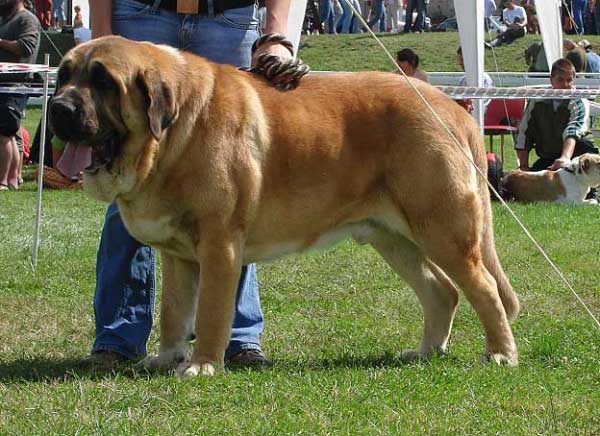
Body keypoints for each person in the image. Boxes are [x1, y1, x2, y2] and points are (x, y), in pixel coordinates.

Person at [85, 0, 294, 369]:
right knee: (126, 172)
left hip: (229, 15)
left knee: (230, 194)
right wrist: (104, 37)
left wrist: (274, 33)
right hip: (140, 12)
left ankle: (236, 338)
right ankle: (119, 336)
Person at [515, 58, 598, 172]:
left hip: (579, 158)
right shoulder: (537, 101)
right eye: (560, 79)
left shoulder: (579, 101)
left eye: (569, 80)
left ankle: (592, 190)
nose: (565, 84)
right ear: (551, 79)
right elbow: (525, 132)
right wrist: (523, 166)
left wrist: (565, 158)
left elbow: (572, 130)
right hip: (549, 157)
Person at [0, 0, 40, 191]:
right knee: (9, 134)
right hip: (4, 84)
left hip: (15, 85)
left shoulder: (27, 19)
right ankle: (13, 179)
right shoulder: (6, 20)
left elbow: (26, 47)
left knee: (4, 135)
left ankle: (3, 181)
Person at [456, 46, 494, 114]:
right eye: (459, 60)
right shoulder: (463, 80)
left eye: (462, 59)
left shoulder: (484, 79)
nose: (459, 63)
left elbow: (483, 104)